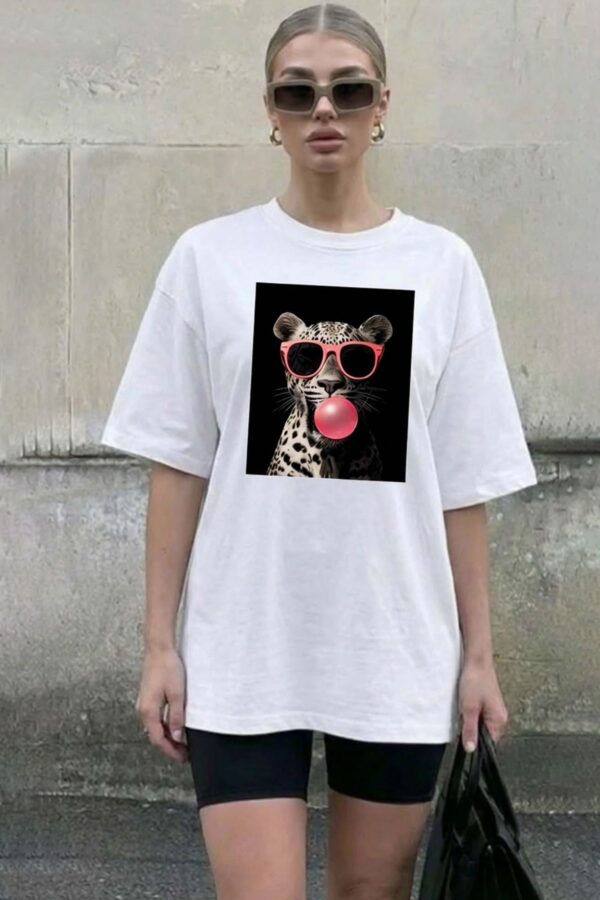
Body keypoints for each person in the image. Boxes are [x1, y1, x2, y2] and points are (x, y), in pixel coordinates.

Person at [100, 4, 538, 898]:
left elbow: (464, 484)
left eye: (349, 89)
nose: (325, 109)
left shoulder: (442, 265)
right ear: (271, 110)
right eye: (298, 92)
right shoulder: (208, 259)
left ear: (383, 105)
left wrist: (479, 658)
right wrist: (159, 646)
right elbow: (176, 465)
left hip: (395, 643)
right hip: (242, 643)